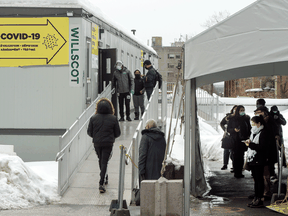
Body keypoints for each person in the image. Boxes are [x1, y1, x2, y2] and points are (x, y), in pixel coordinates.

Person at [87, 98, 121, 193]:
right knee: (104, 161)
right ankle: (101, 183)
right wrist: (111, 137)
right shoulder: (113, 118)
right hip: (108, 143)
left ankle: (104, 177)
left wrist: (96, 136)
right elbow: (118, 133)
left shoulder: (93, 118)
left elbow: (89, 132)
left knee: (101, 160)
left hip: (97, 143)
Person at [254, 106, 278, 200]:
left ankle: (266, 192)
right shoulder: (258, 122)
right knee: (258, 175)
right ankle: (259, 192)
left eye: (259, 112)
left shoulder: (270, 122)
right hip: (257, 151)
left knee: (265, 173)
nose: (258, 114)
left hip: (266, 152)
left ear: (264, 112)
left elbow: (272, 136)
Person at [245, 115, 267, 208]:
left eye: (253, 123)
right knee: (256, 179)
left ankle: (260, 199)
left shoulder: (263, 133)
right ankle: (256, 197)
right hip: (253, 159)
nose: (252, 125)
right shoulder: (253, 132)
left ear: (259, 123)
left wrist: (251, 145)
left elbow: (262, 148)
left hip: (259, 159)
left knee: (259, 179)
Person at [227, 105, 251, 178]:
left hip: (243, 140)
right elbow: (228, 129)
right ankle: (236, 172)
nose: (242, 112)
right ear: (237, 111)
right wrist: (234, 130)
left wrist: (248, 136)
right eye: (241, 110)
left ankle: (240, 171)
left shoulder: (246, 119)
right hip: (235, 140)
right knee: (236, 156)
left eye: (243, 110)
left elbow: (249, 128)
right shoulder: (232, 119)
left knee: (241, 156)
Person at [220, 105, 237, 170]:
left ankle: (234, 165)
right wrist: (225, 130)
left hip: (234, 136)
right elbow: (222, 123)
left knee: (233, 152)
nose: (235, 111)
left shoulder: (239, 117)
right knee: (226, 151)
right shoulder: (228, 116)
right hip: (227, 136)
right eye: (234, 109)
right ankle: (225, 164)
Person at [269, 105, 287, 170]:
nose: (274, 112)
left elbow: (284, 122)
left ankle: (283, 162)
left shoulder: (279, 115)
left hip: (279, 135)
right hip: (272, 136)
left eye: (275, 110)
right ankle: (274, 163)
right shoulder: (269, 116)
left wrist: (278, 119)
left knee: (281, 149)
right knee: (273, 151)